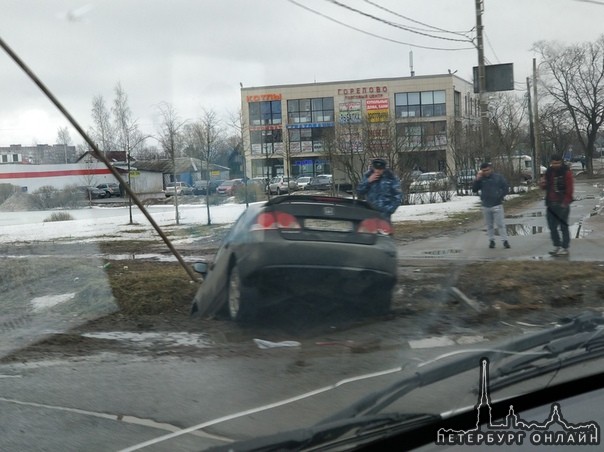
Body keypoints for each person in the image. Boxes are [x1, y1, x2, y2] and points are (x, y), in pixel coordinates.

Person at [539, 154, 574, 256]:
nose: (556, 165)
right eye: (554, 163)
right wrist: (542, 184)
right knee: (552, 227)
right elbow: (545, 187)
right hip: (551, 204)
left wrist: (565, 202)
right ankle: (557, 246)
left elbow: (570, 189)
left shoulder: (566, 172)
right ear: (551, 163)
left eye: (558, 163)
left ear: (561, 162)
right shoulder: (548, 172)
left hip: (562, 204)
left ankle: (565, 247)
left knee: (563, 227)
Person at [472, 162, 510, 249]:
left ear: (491, 169)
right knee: (489, 225)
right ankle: (491, 241)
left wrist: (500, 196)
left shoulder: (498, 177)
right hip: (486, 205)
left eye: (487, 170)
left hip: (497, 204)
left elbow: (505, 187)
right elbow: (474, 189)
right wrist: (477, 179)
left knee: (500, 224)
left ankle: (505, 241)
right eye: (484, 171)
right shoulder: (481, 179)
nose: (486, 172)